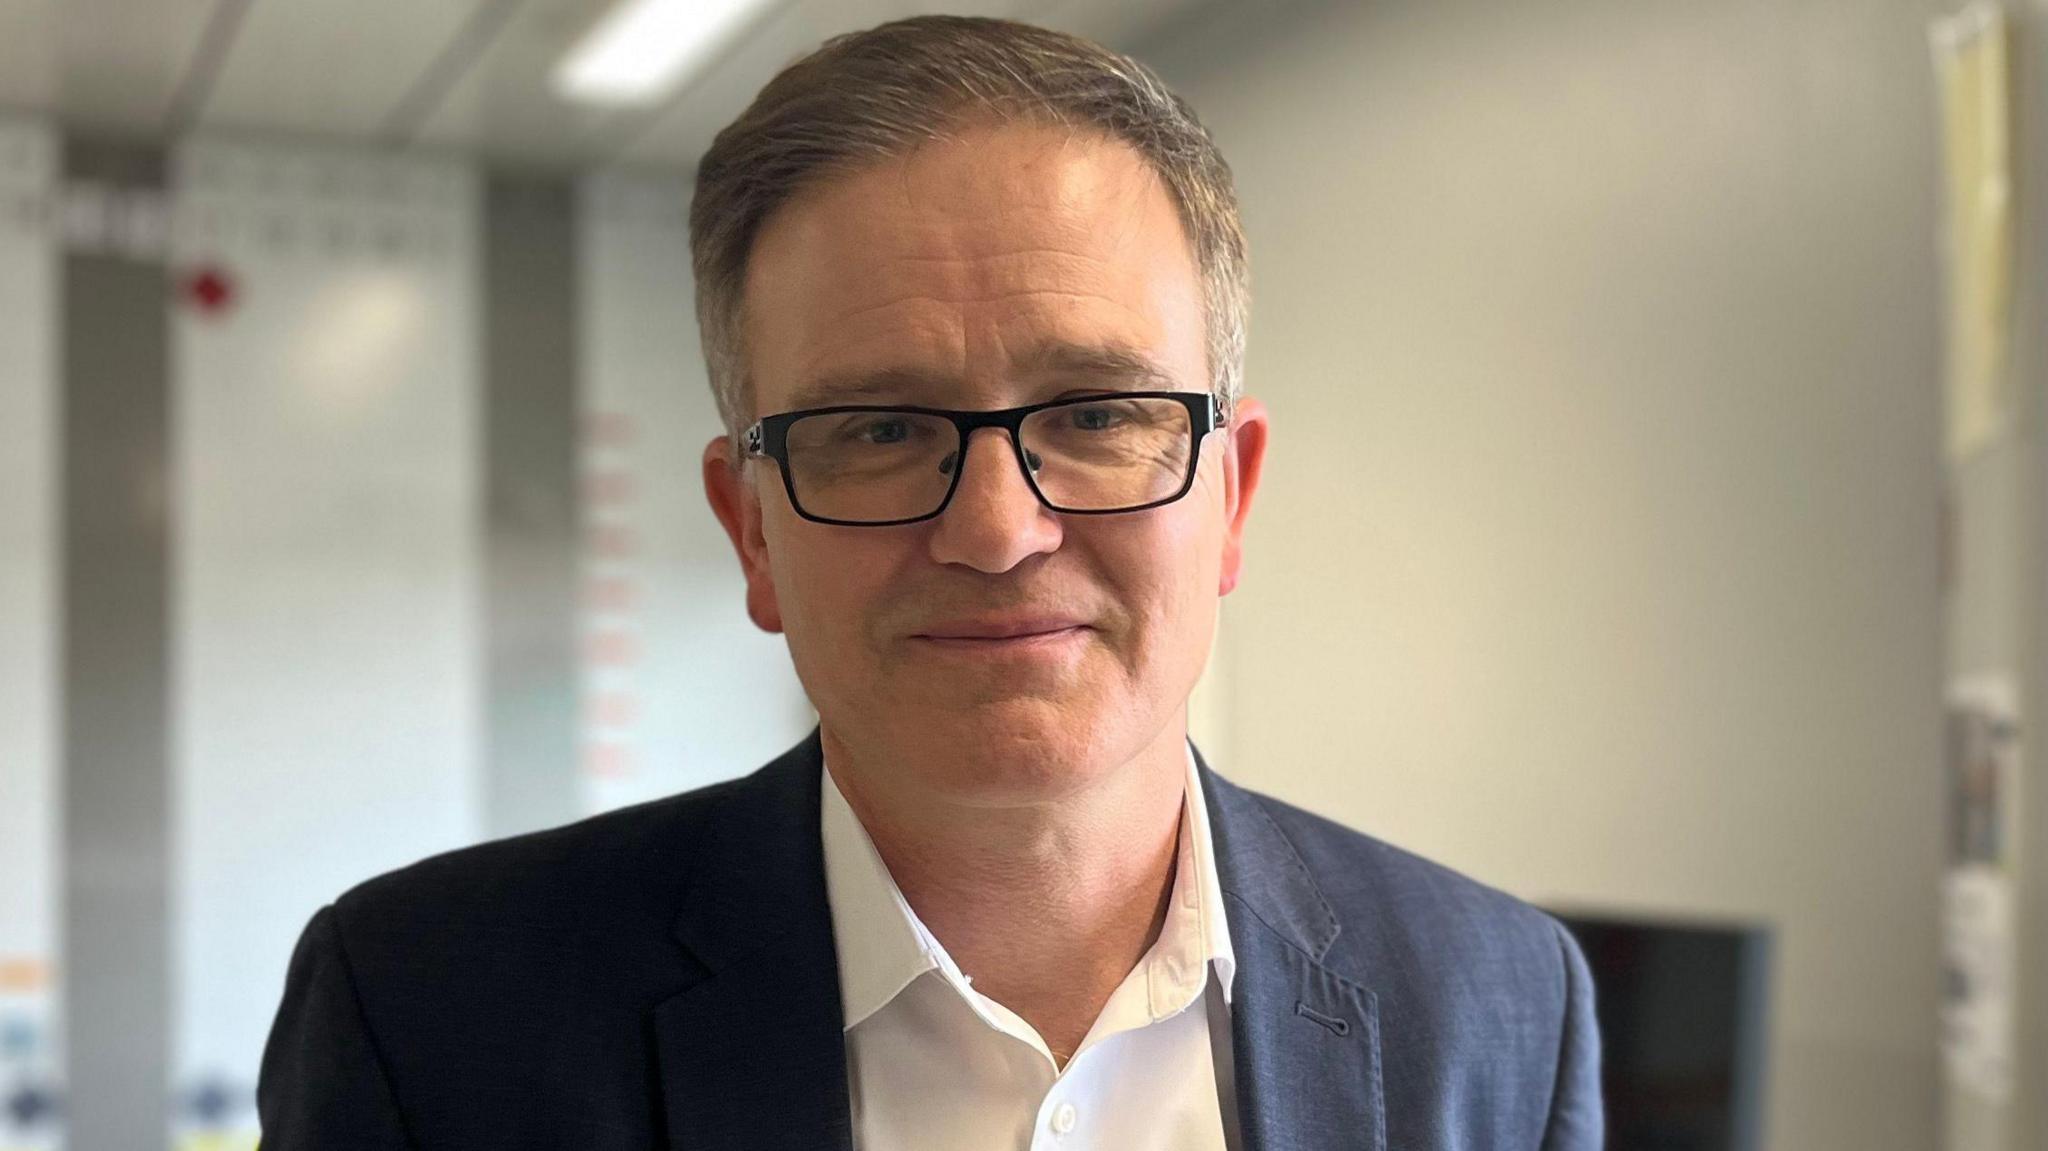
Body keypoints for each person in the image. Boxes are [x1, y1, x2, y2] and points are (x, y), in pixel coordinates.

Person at [257, 15, 1601, 1150]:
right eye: (881, 430)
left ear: (1231, 497)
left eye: (1095, 413)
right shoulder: (428, 1015)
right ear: (753, 534)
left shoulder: (1499, 1006)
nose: (999, 529)